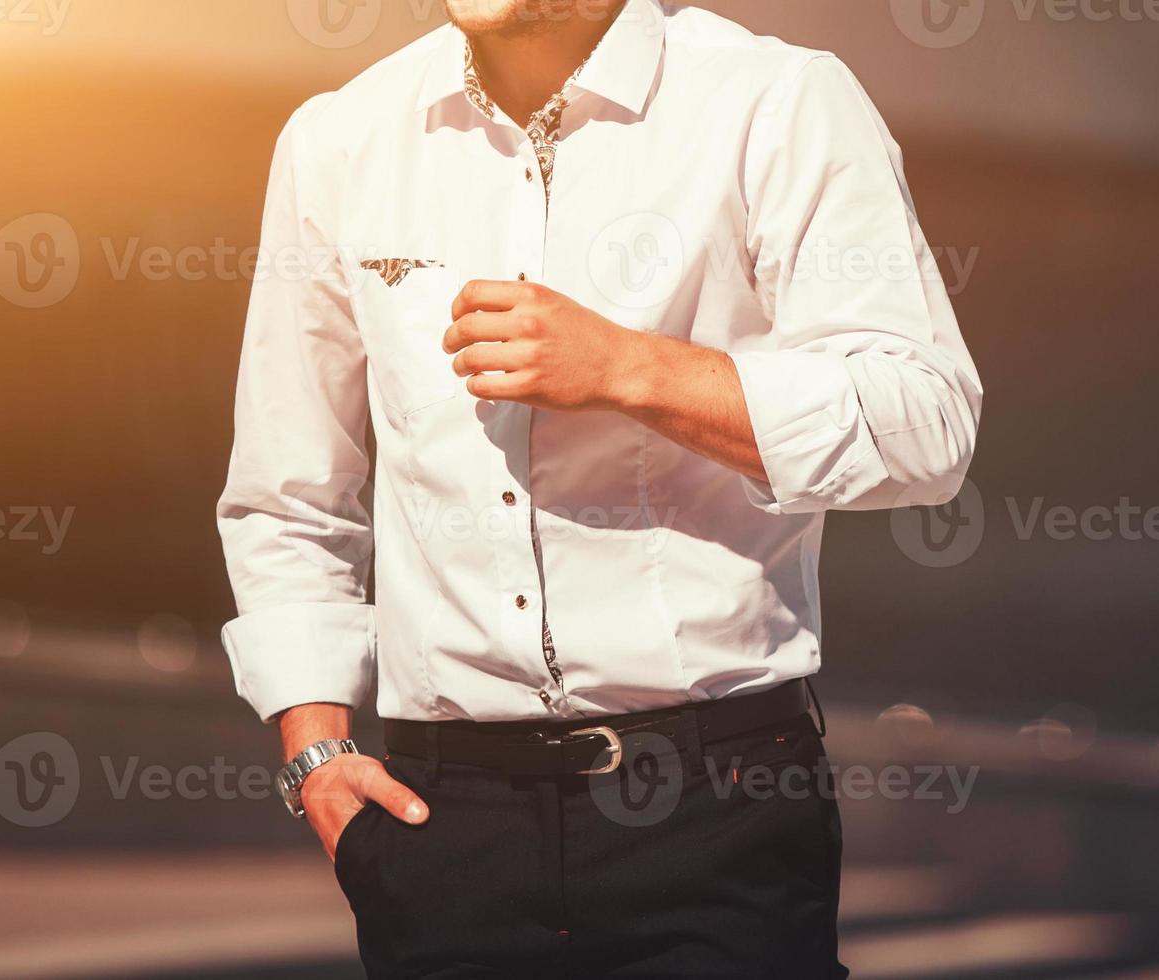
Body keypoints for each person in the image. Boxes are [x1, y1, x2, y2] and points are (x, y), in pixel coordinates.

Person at [216, 1, 981, 974]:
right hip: (443, 825)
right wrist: (314, 752)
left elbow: (924, 423)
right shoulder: (341, 136)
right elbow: (289, 493)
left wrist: (630, 368)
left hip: (717, 804)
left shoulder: (775, 100)